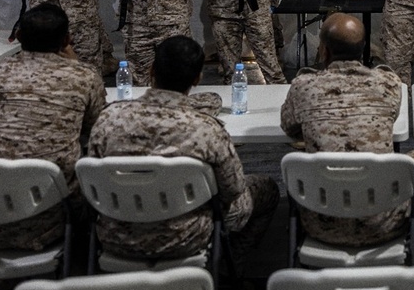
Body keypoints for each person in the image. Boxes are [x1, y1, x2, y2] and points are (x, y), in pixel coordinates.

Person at [88, 35, 278, 265]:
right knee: (266, 189)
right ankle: (229, 268)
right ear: (198, 78)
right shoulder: (206, 129)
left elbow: (93, 183)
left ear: (151, 70)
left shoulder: (109, 119)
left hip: (116, 235)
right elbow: (234, 189)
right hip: (185, 236)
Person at [281, 13, 414, 247]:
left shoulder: (303, 88)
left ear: (323, 51)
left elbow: (290, 127)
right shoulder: (388, 84)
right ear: (363, 48)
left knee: (297, 161)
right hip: (383, 221)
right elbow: (390, 118)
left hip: (320, 223)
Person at [0, 3, 105, 250]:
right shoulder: (82, 76)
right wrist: (77, 64)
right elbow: (97, 128)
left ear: (18, 37)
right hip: (50, 215)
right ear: (67, 40)